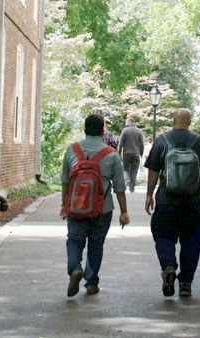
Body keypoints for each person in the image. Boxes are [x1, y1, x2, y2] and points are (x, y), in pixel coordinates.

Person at [144, 108, 200, 298]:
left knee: (163, 235)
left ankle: (168, 265)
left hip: (167, 200)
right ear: (190, 122)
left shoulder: (162, 141)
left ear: (173, 120)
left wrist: (149, 194)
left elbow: (153, 171)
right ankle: (185, 283)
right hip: (194, 201)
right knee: (191, 240)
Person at [60, 114, 130, 297]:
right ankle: (91, 282)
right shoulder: (111, 154)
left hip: (76, 206)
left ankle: (75, 268)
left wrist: (63, 204)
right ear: (102, 130)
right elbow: (120, 187)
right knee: (96, 244)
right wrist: (124, 212)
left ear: (84, 129)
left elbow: (65, 181)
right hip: (103, 208)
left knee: (74, 240)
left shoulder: (72, 150)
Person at [118, 117, 144, 193]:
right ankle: (132, 188)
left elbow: (120, 144)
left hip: (127, 153)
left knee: (125, 168)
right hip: (136, 154)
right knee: (134, 171)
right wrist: (141, 154)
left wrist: (118, 153)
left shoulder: (125, 131)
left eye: (126, 121)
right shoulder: (139, 131)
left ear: (129, 121)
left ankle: (127, 179)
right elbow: (142, 144)